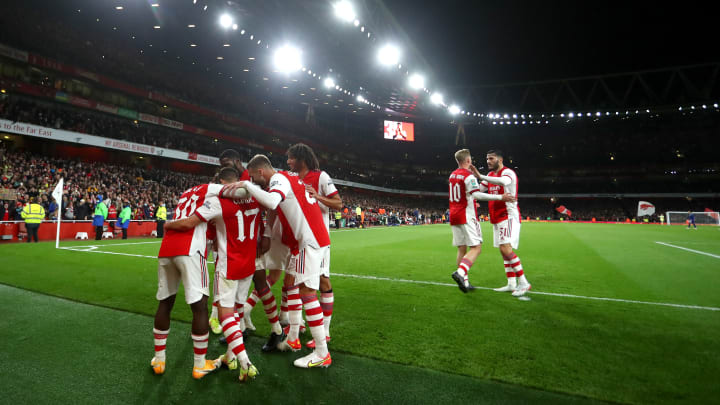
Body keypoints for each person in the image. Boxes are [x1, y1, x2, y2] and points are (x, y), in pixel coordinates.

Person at [229, 154, 332, 368]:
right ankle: (294, 337)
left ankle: (322, 352)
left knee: (306, 291)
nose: (257, 182)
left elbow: (272, 200)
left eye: (256, 178)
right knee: (297, 286)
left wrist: (247, 185)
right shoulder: (290, 179)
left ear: (260, 172)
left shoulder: (279, 179)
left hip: (309, 241)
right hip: (312, 239)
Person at [162, 167, 260, 382]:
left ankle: (245, 363)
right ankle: (230, 357)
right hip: (249, 261)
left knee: (225, 314)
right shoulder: (255, 199)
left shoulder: (218, 202)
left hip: (229, 262)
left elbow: (190, 222)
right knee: (236, 310)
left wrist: (168, 224)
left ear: (222, 182)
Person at [150, 181, 233, 379]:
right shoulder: (211, 190)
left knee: (165, 303)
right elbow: (232, 189)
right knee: (200, 307)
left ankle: (159, 360)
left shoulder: (186, 192)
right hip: (190, 251)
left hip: (166, 248)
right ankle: (199, 365)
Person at [286, 143, 342, 349]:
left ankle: (324, 332)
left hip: (319, 240)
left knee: (323, 281)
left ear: (301, 159)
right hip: (299, 240)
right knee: (294, 280)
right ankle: (296, 325)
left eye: (291, 158)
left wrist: (316, 196)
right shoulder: (293, 180)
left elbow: (338, 203)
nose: (288, 162)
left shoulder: (321, 177)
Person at [448, 149, 515, 293]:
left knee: (461, 248)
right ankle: (460, 272)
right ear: (468, 161)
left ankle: (464, 282)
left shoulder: (452, 174)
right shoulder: (468, 176)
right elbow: (477, 193)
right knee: (476, 248)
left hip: (454, 215)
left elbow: (465, 194)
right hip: (466, 215)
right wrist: (500, 197)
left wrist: (471, 198)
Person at [470, 149, 531, 297]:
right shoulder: (490, 175)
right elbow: (479, 189)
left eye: (491, 158)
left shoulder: (508, 173)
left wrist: (479, 175)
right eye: (487, 159)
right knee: (503, 250)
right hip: (496, 217)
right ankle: (511, 284)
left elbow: (503, 182)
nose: (488, 161)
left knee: (505, 248)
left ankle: (523, 282)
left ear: (500, 160)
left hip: (508, 215)